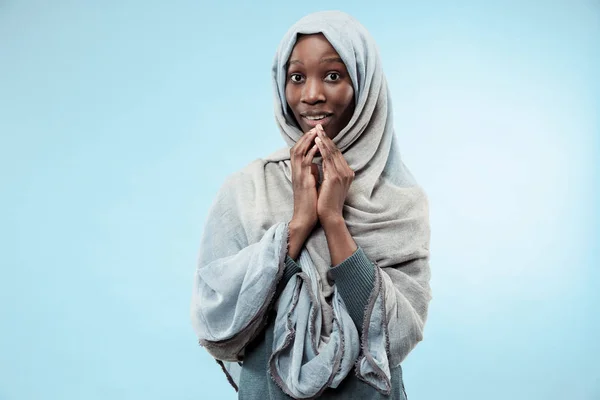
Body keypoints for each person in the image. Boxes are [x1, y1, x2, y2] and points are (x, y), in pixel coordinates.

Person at [190, 10, 431, 399]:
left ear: (365, 86)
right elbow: (219, 319)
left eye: (333, 76)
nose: (312, 94)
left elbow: (394, 334)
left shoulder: (398, 201)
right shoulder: (248, 189)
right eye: (297, 77)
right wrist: (299, 223)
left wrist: (333, 220)